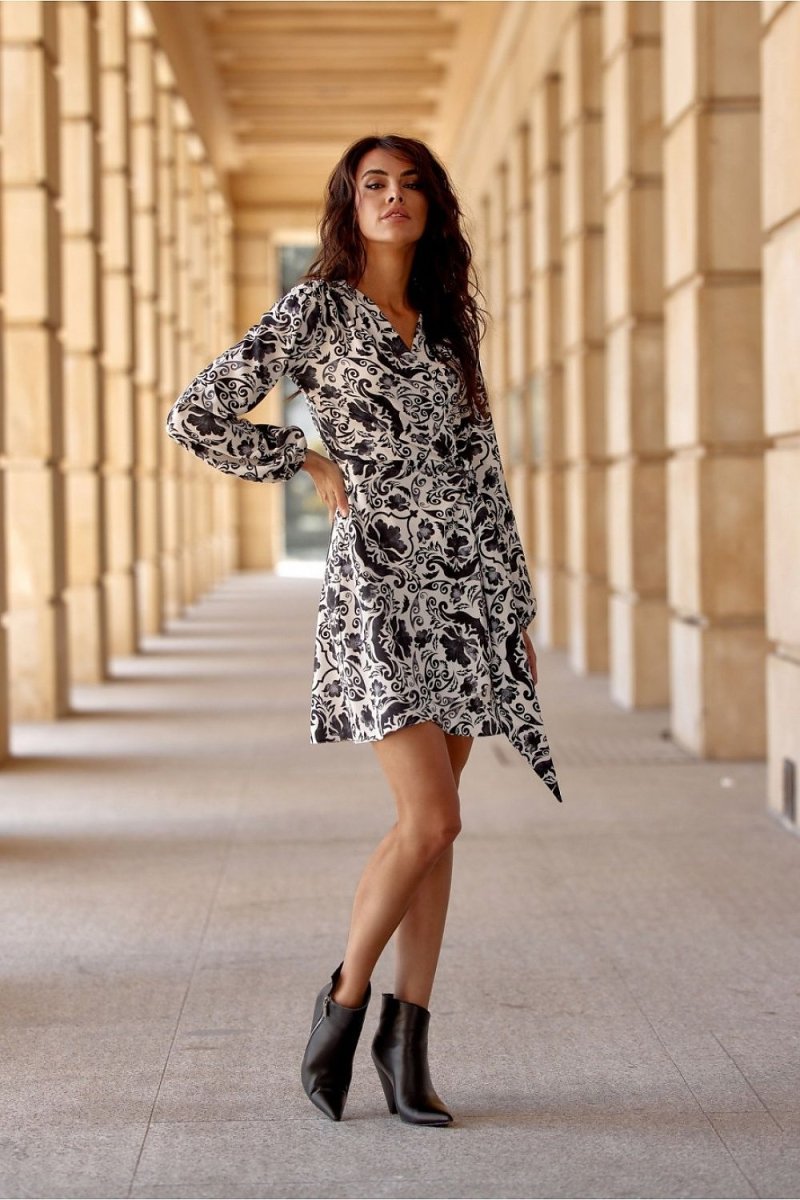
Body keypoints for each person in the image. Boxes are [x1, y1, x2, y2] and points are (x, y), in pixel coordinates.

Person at [166, 133, 563, 1127]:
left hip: (463, 589)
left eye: (411, 184)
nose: (394, 197)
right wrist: (300, 455)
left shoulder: (446, 325)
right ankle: (343, 1005)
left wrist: (513, 608)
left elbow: (483, 475)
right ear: (349, 205)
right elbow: (195, 414)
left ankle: (405, 1045)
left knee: (437, 829)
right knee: (432, 818)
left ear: (431, 207)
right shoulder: (315, 309)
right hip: (377, 587)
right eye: (374, 184)